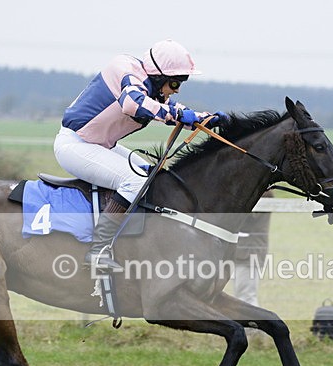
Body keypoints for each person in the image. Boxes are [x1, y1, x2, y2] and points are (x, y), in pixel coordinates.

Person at [54, 39, 226, 272]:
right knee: (135, 181)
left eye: (180, 84)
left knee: (152, 176)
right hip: (75, 144)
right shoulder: (126, 70)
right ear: (158, 76)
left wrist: (204, 118)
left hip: (99, 144)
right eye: (175, 83)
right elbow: (132, 104)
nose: (176, 89)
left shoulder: (152, 88)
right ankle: (98, 249)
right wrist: (179, 114)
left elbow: (174, 110)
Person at [233, 191, 273, 307]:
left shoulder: (264, 194)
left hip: (249, 252)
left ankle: (254, 324)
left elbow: (249, 215)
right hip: (237, 251)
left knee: (246, 297)